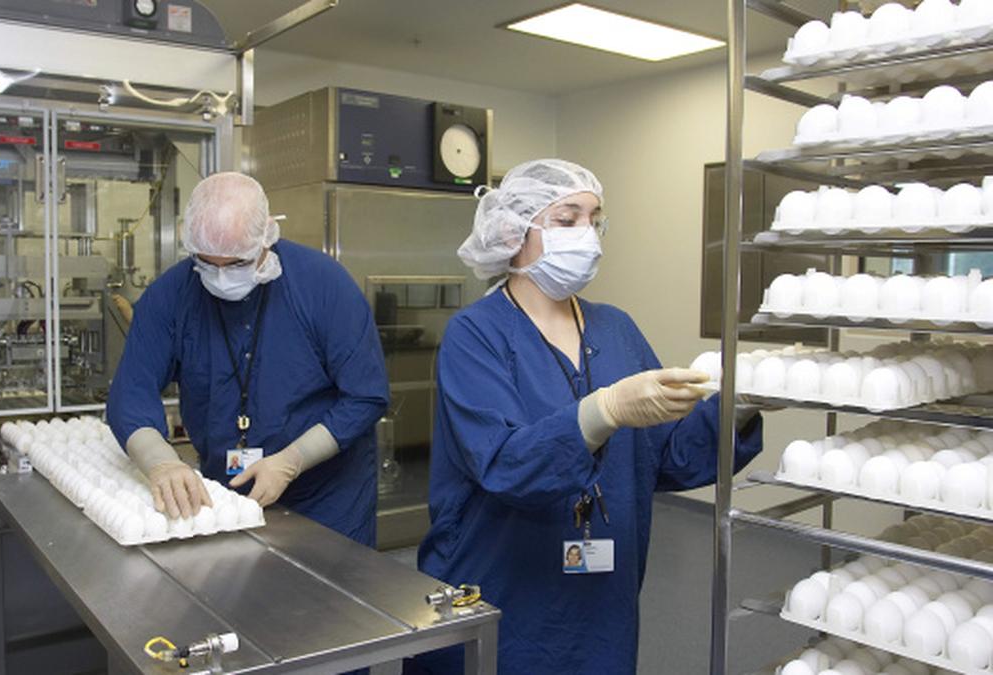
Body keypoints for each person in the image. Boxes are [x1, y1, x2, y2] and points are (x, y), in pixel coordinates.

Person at [412, 159, 764, 674]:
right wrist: (606, 410)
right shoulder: (476, 335)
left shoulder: (615, 329)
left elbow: (668, 456)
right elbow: (505, 464)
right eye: (567, 219)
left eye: (595, 219)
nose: (588, 235)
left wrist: (739, 405)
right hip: (501, 584)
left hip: (601, 598)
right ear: (511, 232)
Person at [106, 171, 389, 545]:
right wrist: (161, 462)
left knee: (332, 580)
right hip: (224, 495)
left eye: (238, 263)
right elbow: (131, 393)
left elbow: (365, 395)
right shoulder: (170, 296)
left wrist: (292, 460)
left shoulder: (323, 285)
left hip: (327, 499)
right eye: (208, 264)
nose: (222, 278)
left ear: (267, 236)